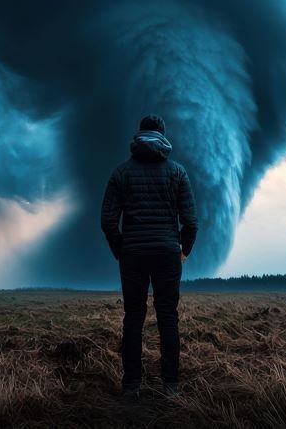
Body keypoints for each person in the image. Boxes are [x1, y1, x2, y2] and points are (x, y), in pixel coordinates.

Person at [100, 114, 199, 402]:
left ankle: (131, 386)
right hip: (167, 253)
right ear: (163, 136)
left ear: (139, 136)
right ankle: (171, 385)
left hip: (133, 254)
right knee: (168, 316)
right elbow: (191, 222)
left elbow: (108, 222)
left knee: (133, 317)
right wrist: (183, 250)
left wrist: (121, 250)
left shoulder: (121, 173)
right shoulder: (178, 173)